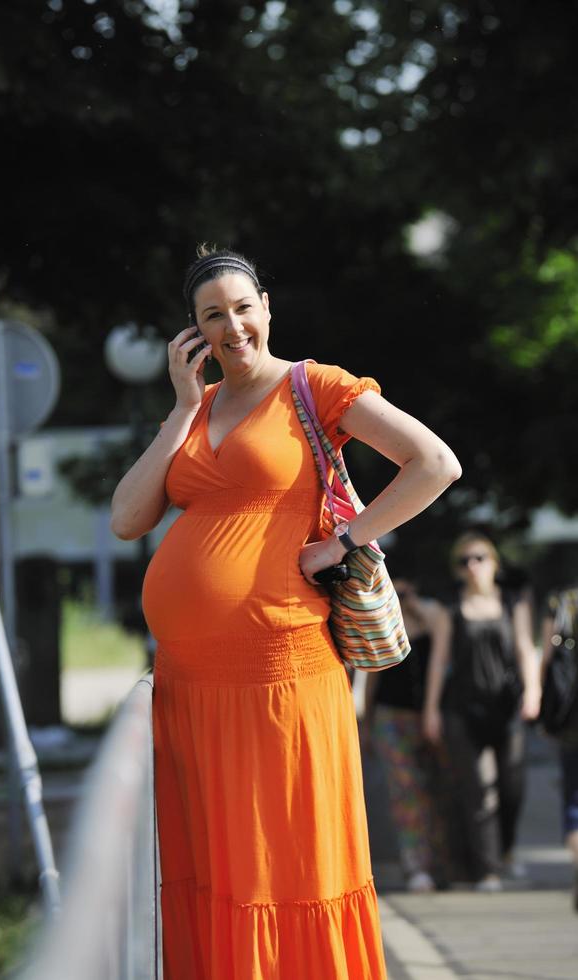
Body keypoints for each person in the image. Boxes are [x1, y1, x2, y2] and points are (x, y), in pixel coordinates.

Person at [111, 246, 461, 979]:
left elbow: (434, 462)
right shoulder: (196, 409)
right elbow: (127, 518)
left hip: (281, 673)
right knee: (219, 868)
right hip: (190, 687)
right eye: (213, 316)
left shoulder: (315, 387)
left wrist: (343, 542)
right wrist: (180, 407)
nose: (232, 326)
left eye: (242, 307)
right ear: (194, 333)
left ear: (266, 307)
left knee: (286, 863)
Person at [422, 531, 540, 891]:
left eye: (479, 559)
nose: (472, 567)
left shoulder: (512, 602)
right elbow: (439, 659)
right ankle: (486, 869)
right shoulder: (450, 605)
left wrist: (534, 690)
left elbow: (524, 648)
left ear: (494, 563)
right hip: (461, 706)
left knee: (512, 785)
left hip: (505, 706)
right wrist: (431, 709)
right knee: (476, 790)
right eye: (464, 561)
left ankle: (503, 852)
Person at [364, 575, 452, 893]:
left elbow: (441, 650)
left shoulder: (434, 617)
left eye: (408, 590)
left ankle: (441, 863)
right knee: (406, 792)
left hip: (429, 716)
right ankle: (416, 866)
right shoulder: (385, 618)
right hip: (390, 715)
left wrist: (415, 606)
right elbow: (372, 673)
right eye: (397, 590)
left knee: (436, 789)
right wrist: (366, 718)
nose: (403, 596)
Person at [540, 584, 578, 912]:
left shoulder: (565, 601)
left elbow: (547, 659)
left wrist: (544, 708)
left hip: (571, 718)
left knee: (574, 796)